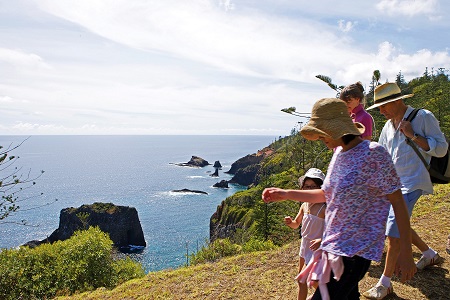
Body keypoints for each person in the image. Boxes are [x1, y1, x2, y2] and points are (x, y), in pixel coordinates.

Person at [262, 98, 416, 300]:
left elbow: (397, 201)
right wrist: (286, 194)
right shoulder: (339, 154)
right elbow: (326, 194)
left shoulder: (374, 153)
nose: (319, 138)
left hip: (355, 252)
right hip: (333, 246)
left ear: (337, 129)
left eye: (322, 132)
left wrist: (405, 251)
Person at [363, 82, 448, 299]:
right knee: (398, 223)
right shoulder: (388, 126)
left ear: (397, 100)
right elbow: (383, 155)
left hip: (413, 182)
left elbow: (441, 148)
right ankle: (429, 254)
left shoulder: (423, 117)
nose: (380, 111)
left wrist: (412, 136)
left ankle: (384, 283)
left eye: (383, 106)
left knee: (393, 231)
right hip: (394, 184)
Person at [284, 168, 326, 300]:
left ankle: (325, 295)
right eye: (307, 186)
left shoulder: (324, 208)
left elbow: (333, 231)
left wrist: (321, 240)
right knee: (303, 279)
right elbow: (297, 224)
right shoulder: (304, 205)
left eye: (314, 186)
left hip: (317, 249)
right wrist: (290, 222)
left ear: (321, 188)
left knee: (306, 280)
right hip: (305, 245)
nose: (309, 189)